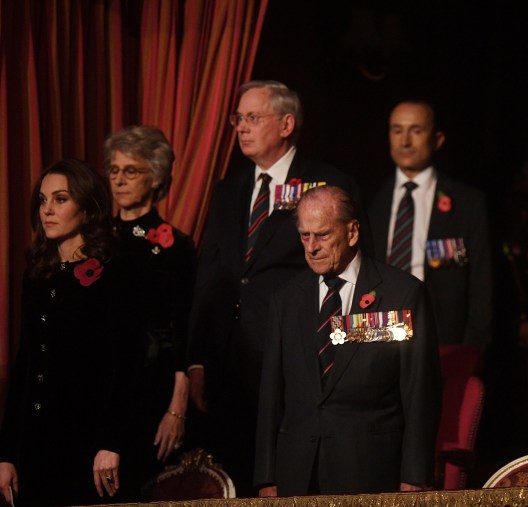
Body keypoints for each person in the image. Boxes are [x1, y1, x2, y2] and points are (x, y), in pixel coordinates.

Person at [186, 80, 368, 495]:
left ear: (287, 124)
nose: (241, 127)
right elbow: (209, 279)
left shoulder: (326, 186)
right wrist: (197, 359)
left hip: (297, 355)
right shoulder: (228, 190)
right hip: (231, 364)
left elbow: (354, 276)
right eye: (238, 119)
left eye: (253, 117)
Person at [254, 185, 441, 496]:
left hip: (370, 470)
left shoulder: (402, 294)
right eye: (304, 235)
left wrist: (415, 474)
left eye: (323, 235)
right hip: (297, 473)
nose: (311, 247)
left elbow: (419, 391)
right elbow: (271, 394)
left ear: (352, 232)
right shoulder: (285, 300)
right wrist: (266, 476)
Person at [0, 159, 146, 506]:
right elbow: (26, 363)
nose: (47, 210)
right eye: (43, 200)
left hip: (88, 446)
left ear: (87, 206)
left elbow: (127, 363)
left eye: (61, 199)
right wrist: (6, 452)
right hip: (35, 445)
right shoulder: (38, 272)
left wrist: (111, 443)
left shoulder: (116, 270)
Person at [104, 125, 196, 488]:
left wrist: (176, 408)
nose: (119, 180)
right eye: (113, 170)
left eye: (130, 170)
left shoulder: (176, 246)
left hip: (151, 389)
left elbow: (183, 328)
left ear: (156, 176)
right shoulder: (92, 240)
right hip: (100, 385)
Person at [368, 99, 492, 349]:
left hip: (439, 338)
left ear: (437, 140)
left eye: (416, 131)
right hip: (377, 334)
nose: (404, 141)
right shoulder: (369, 201)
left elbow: (482, 286)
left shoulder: (468, 203)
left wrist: (471, 351)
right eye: (397, 130)